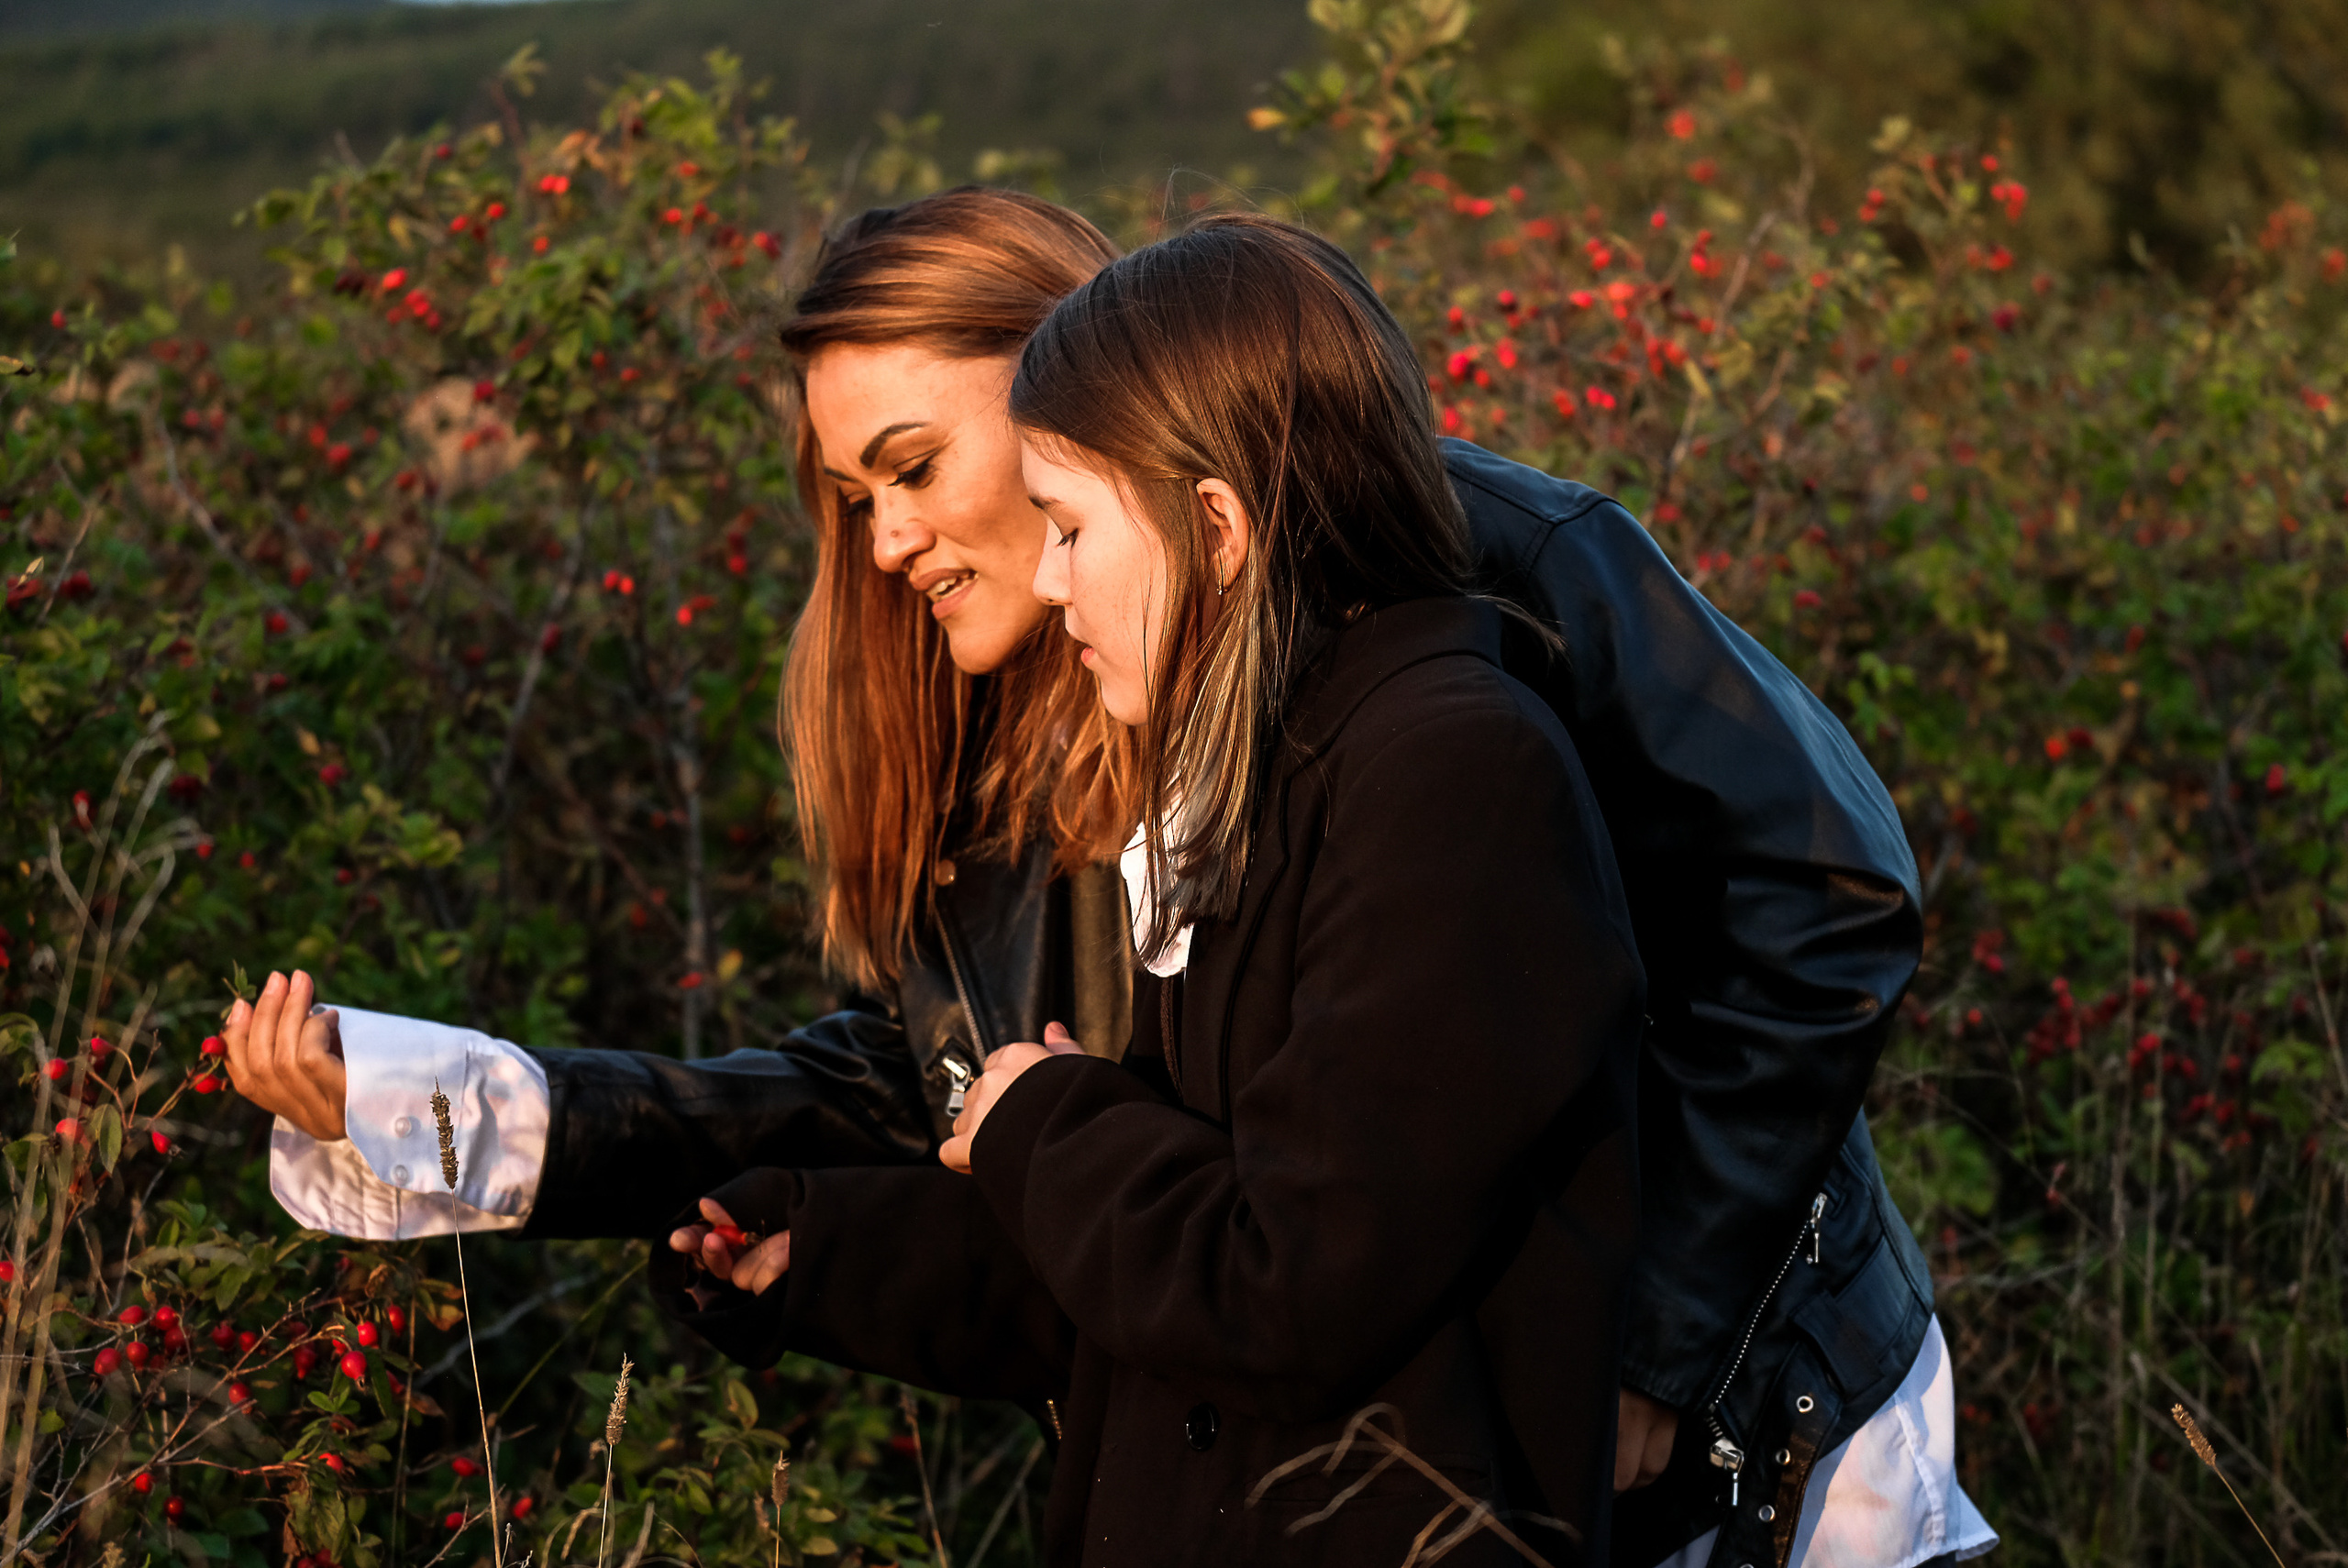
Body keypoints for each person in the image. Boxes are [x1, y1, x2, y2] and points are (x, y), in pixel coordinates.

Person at [226, 187, 1990, 1568]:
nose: (887, 538)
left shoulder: (1471, 572)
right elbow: (962, 1097)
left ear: (1073, 382)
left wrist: (1652, 1350)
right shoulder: (1012, 746)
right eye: (849, 499)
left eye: (914, 468)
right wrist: (485, 1116)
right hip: (1407, 1452)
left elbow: (1820, 891)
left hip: (1756, 1409)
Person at [658, 213, 1645, 1566]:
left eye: (1070, 527)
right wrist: (829, 1249)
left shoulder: (1450, 775)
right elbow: (1154, 1277)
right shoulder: (1266, 779)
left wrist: (1052, 1118)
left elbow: (1289, 1279)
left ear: (1217, 527)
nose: (1054, 582)